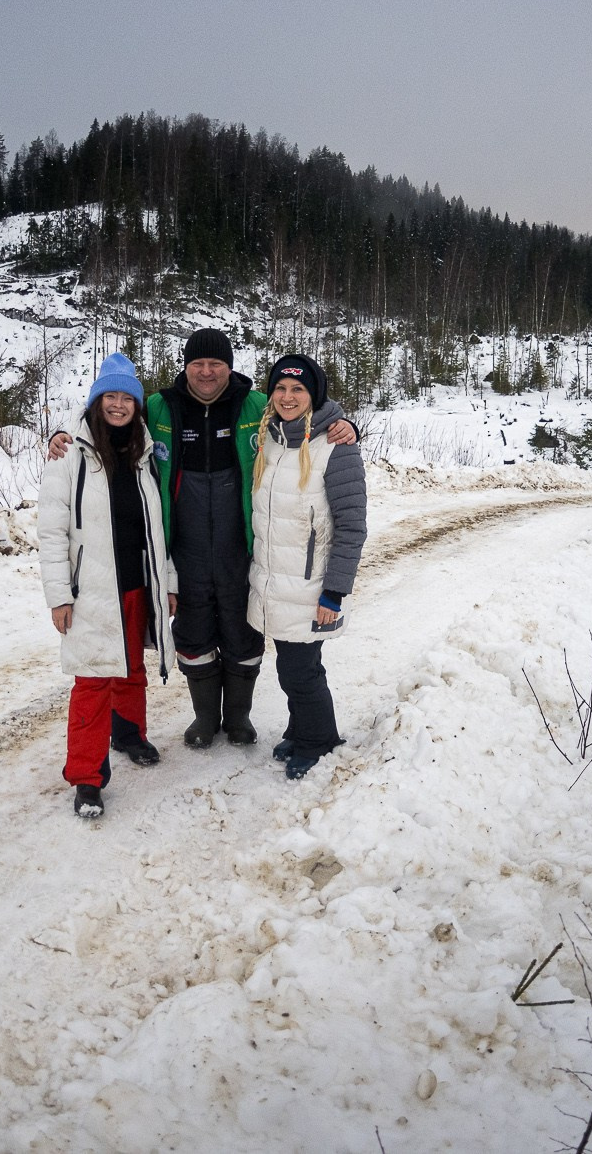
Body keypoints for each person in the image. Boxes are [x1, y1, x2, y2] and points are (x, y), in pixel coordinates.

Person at [48, 329, 356, 752]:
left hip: (240, 543)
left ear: (229, 366)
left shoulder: (254, 404)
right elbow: (108, 417)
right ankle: (205, 717)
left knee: (240, 628)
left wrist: (344, 422)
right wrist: (62, 434)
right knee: (193, 630)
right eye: (198, 363)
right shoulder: (159, 406)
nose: (207, 372)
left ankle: (240, 718)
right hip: (184, 543)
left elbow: (303, 407)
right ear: (185, 366)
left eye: (216, 363)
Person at [37, 353, 178, 818]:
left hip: (138, 581)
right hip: (91, 588)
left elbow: (160, 528)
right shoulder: (68, 455)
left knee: (132, 664)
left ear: (137, 406)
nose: (118, 405)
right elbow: (52, 531)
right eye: (110, 397)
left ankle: (129, 732)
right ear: (97, 401)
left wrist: (168, 581)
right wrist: (59, 595)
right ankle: (87, 778)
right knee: (93, 680)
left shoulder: (144, 453)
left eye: (127, 398)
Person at [248, 354, 367, 780]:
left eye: (298, 389)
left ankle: (320, 739)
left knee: (301, 669)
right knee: (291, 664)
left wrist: (334, 591)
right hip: (277, 583)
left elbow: (352, 526)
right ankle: (301, 730)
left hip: (311, 585)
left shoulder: (337, 446)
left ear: (314, 394)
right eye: (280, 388)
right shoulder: (272, 440)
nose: (287, 396)